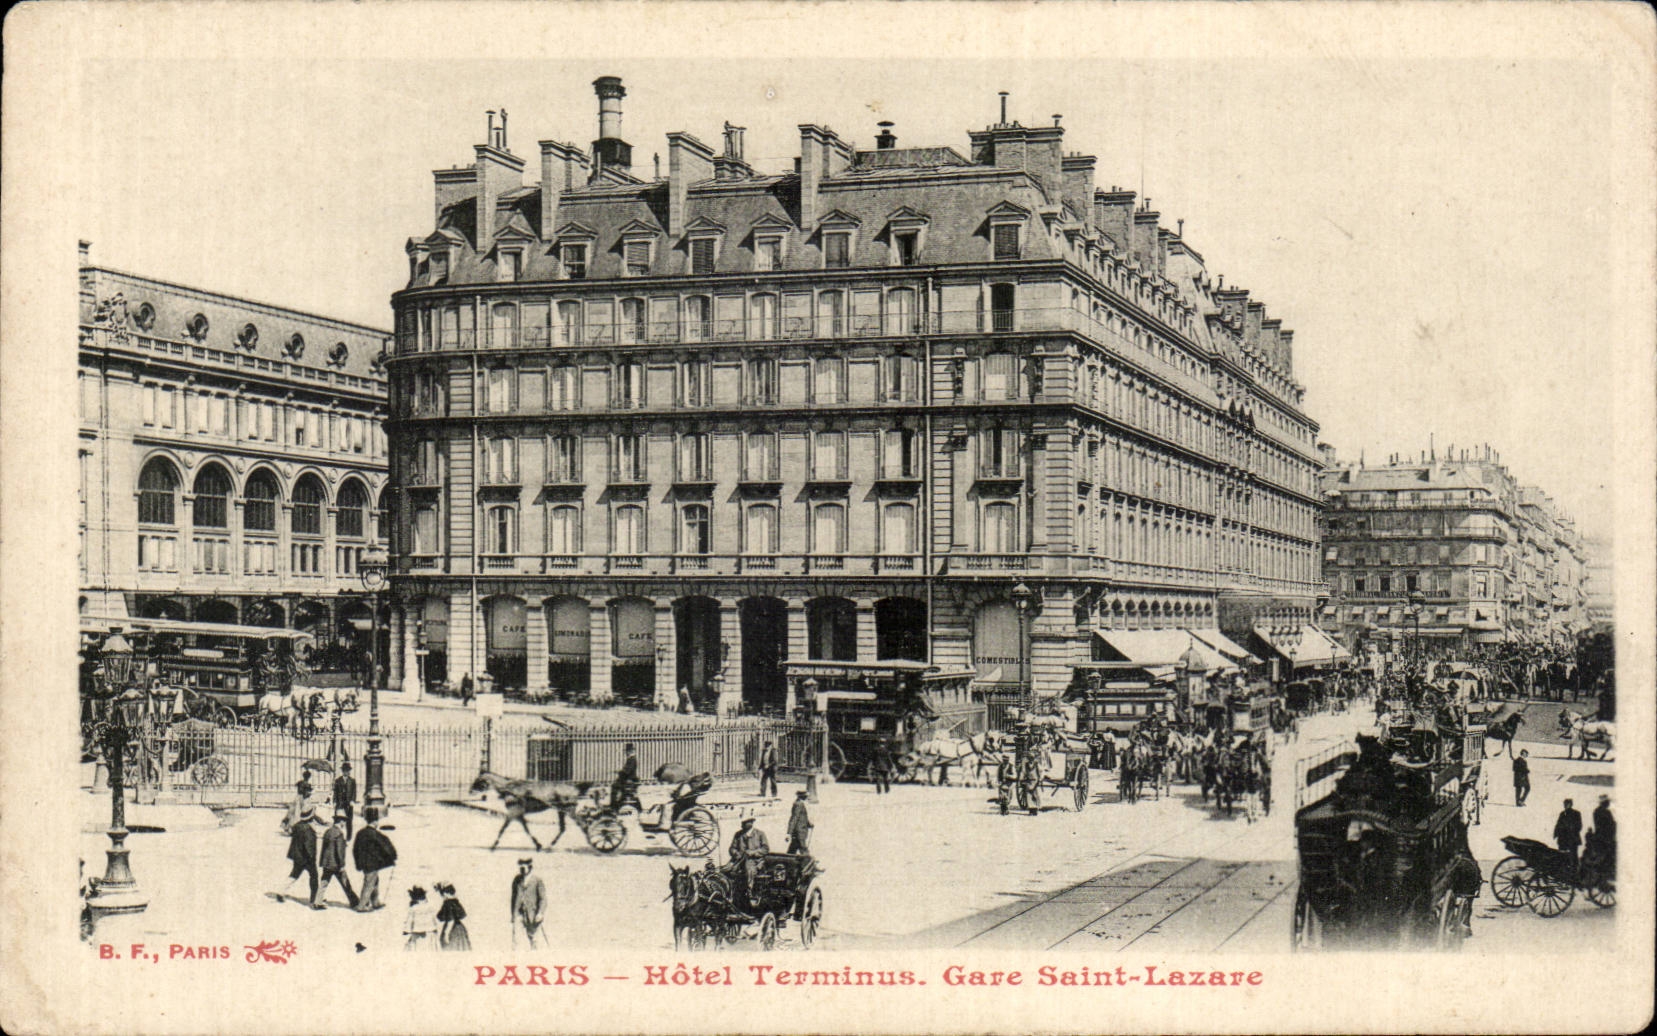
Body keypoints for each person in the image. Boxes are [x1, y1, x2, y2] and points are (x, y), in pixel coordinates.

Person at [278, 808, 323, 910]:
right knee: (314, 877)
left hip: (297, 857)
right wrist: (312, 859)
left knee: (294, 875)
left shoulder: (297, 825)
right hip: (307, 859)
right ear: (311, 818)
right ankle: (313, 900)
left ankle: (281, 892)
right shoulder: (309, 830)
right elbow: (309, 847)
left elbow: (290, 831)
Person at [352, 813, 397, 912]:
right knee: (369, 883)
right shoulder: (374, 834)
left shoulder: (360, 833)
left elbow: (355, 849)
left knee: (374, 881)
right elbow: (385, 846)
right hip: (372, 863)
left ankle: (375, 902)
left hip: (363, 863)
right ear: (375, 822)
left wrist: (358, 863)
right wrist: (393, 856)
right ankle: (362, 905)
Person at [316, 812, 359, 909]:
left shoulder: (328, 831)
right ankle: (355, 902)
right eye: (344, 821)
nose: (344, 823)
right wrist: (342, 865)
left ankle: (317, 901)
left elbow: (324, 848)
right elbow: (339, 851)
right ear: (340, 821)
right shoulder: (339, 833)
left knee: (324, 882)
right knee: (345, 882)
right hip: (336, 864)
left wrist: (323, 862)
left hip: (326, 863)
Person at [727, 817, 770, 910]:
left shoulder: (760, 834)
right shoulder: (738, 835)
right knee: (726, 869)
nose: (742, 824)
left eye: (744, 823)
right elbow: (732, 848)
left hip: (755, 861)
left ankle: (749, 891)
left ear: (751, 823)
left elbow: (765, 849)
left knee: (748, 868)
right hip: (738, 860)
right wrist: (735, 853)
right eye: (742, 822)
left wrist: (753, 852)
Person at [511, 857, 547, 948]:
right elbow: (513, 898)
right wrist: (513, 914)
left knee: (534, 941)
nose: (522, 870)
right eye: (521, 868)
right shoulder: (517, 880)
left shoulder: (537, 880)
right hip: (519, 914)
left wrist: (540, 913)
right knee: (516, 941)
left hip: (532, 915)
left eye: (524, 868)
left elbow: (543, 899)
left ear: (530, 867)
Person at [436, 882, 471, 951]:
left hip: (452, 930)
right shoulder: (456, 902)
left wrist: (446, 933)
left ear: (445, 894)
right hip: (460, 928)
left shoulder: (448, 903)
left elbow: (451, 920)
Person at [403, 886, 437, 951]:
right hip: (429, 932)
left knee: (417, 949)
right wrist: (435, 928)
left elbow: (409, 921)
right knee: (429, 949)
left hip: (417, 933)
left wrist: (406, 931)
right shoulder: (429, 907)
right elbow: (434, 919)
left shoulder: (413, 908)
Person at [611, 744, 641, 813]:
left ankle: (614, 806)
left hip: (629, 780)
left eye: (627, 751)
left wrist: (620, 772)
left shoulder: (632, 759)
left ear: (630, 751)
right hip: (629, 779)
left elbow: (627, 771)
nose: (626, 753)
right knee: (616, 785)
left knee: (614, 787)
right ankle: (617, 803)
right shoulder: (631, 759)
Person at [1554, 798, 1583, 866]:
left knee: (1573, 856)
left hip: (1572, 839)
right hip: (1563, 838)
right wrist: (1556, 833)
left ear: (1571, 804)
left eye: (1567, 804)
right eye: (1565, 804)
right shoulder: (1562, 814)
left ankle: (1574, 870)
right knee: (1562, 855)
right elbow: (1558, 824)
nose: (1565, 805)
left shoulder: (1576, 813)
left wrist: (1571, 830)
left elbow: (1579, 826)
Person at [333, 762, 358, 838]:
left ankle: (348, 837)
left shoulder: (352, 781)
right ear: (342, 771)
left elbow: (354, 792)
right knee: (338, 819)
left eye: (348, 770)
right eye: (345, 770)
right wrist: (334, 801)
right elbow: (335, 792)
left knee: (349, 820)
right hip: (340, 803)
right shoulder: (338, 780)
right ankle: (336, 835)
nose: (346, 772)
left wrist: (353, 800)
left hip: (348, 803)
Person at [786, 790, 813, 855]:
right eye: (806, 796)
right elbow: (794, 818)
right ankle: (808, 863)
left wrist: (809, 824)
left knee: (792, 849)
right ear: (803, 796)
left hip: (799, 831)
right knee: (803, 849)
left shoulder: (800, 803)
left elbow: (802, 817)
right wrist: (789, 833)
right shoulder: (798, 804)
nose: (807, 797)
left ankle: (787, 861)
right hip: (799, 831)